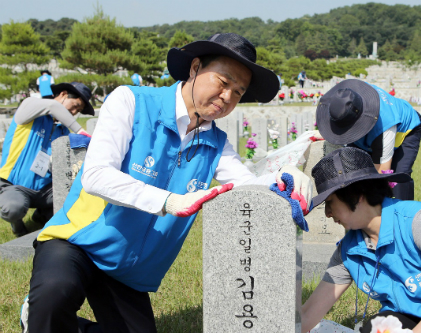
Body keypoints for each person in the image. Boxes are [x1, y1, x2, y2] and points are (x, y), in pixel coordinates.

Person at [21, 33, 313, 333]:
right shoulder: (131, 101)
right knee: (53, 297)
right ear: (195, 67)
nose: (228, 97)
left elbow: (246, 186)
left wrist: (284, 177)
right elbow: (96, 175)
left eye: (238, 92)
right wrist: (169, 201)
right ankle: (39, 313)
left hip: (126, 269)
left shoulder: (216, 142)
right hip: (79, 242)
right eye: (223, 83)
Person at [301, 147, 421, 333]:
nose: (327, 213)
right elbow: (309, 313)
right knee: (377, 326)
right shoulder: (349, 250)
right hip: (420, 320)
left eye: (330, 203)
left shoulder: (419, 221)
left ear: (356, 194)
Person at [0, 82, 93, 237]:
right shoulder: (28, 109)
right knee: (13, 208)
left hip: (45, 191)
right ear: (63, 94)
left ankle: (41, 214)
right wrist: (80, 130)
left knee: (74, 206)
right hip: (14, 185)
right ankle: (16, 225)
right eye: (75, 105)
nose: (75, 112)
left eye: (79, 110)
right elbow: (52, 105)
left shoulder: (63, 130)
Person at [316, 79, 421, 200]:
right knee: (358, 172)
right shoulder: (348, 99)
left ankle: (402, 213)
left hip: (406, 128)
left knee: (398, 177)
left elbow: (382, 172)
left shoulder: (385, 125)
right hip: (372, 130)